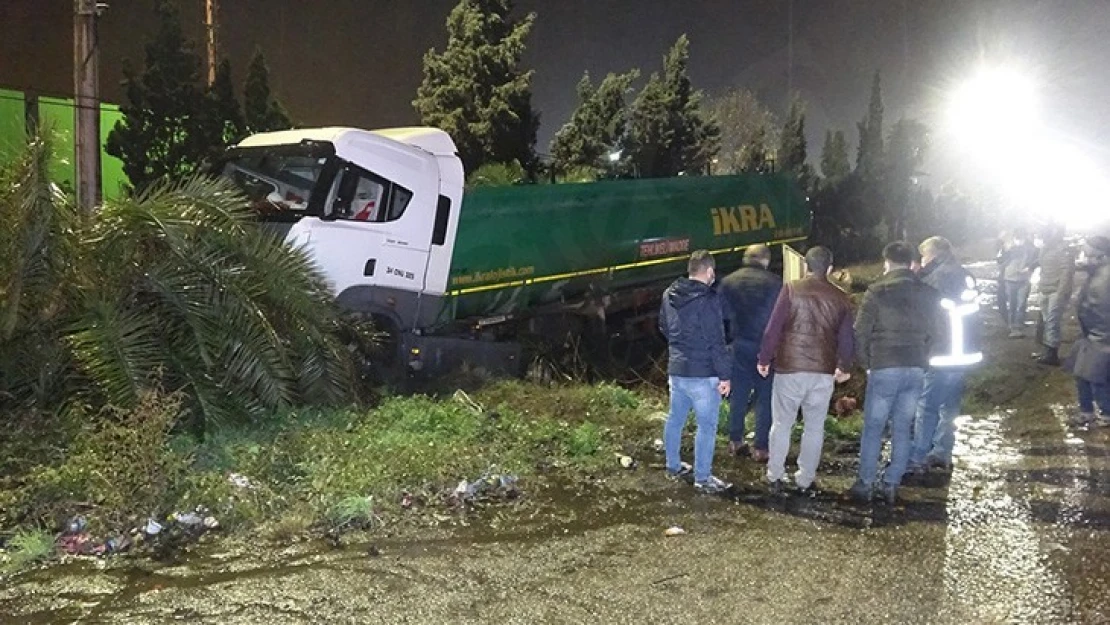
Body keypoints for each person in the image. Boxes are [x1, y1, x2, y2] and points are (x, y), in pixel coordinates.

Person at [848, 242, 940, 503]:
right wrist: (924, 357)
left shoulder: (876, 292)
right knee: (903, 427)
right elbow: (937, 332)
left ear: (887, 262)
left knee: (874, 427)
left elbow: (861, 331)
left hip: (884, 365)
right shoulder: (929, 293)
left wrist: (866, 363)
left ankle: (865, 484)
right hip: (915, 367)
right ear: (912, 262)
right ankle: (891, 483)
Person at [758, 246, 854, 495]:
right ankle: (805, 478)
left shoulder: (791, 289)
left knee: (781, 423)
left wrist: (764, 358)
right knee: (814, 427)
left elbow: (773, 328)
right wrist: (844, 366)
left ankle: (775, 474)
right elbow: (846, 339)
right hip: (822, 370)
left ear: (806, 266)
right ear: (830, 269)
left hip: (789, 367)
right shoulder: (842, 297)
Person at [658, 250, 733, 494]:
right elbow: (716, 341)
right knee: (707, 426)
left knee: (675, 419)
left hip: (677, 369)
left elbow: (663, 326)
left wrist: (680, 349)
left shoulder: (669, 294)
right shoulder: (709, 300)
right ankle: (703, 477)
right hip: (703, 373)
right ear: (709, 272)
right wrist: (725, 376)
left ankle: (673, 465)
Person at [909, 236, 980, 473]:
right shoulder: (965, 275)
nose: (922, 260)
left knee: (927, 405)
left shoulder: (933, 279)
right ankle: (942, 452)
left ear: (935, 256)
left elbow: (920, 310)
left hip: (939, 352)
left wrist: (917, 274)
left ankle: (919, 455)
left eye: (924, 256)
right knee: (949, 406)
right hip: (963, 352)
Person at [719, 244, 782, 462]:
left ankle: (735, 440)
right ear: (765, 260)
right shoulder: (775, 283)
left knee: (739, 393)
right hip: (766, 348)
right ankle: (761, 448)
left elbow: (722, 315)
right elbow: (780, 318)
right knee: (765, 396)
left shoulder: (728, 282)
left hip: (739, 344)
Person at [1065, 236, 1110, 427]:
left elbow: (1103, 312)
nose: (1085, 259)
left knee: (1096, 376)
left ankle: (1106, 414)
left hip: (1100, 335)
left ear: (1103, 257)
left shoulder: (1105, 279)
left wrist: (1100, 337)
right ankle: (1087, 411)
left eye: (1090, 255)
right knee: (1081, 372)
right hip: (1091, 334)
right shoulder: (1098, 273)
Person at [1034, 224, 1075, 366]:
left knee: (1052, 322)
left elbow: (1066, 272)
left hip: (1055, 291)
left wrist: (1061, 292)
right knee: (1047, 322)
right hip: (1044, 288)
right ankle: (1047, 350)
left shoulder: (1063, 250)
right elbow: (1042, 268)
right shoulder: (1045, 249)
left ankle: (1052, 353)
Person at [997, 228, 1039, 338]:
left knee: (1021, 304)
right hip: (1010, 279)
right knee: (1012, 304)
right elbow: (1000, 260)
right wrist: (1006, 251)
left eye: (1021, 238)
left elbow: (1037, 259)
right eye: (1017, 238)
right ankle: (1012, 326)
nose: (1019, 241)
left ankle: (1018, 327)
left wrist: (1029, 268)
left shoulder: (1030, 248)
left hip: (1023, 279)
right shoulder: (1008, 248)